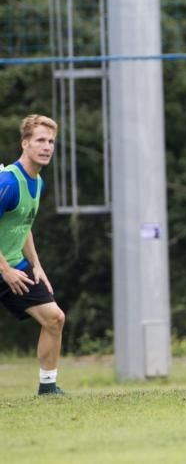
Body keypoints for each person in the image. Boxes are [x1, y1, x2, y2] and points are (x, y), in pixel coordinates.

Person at [0, 114, 67, 395]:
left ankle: (48, 388)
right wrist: (5, 271)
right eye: (40, 140)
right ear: (25, 143)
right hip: (5, 269)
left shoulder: (37, 183)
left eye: (50, 141)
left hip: (14, 266)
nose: (47, 146)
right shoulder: (9, 182)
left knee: (55, 318)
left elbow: (23, 224)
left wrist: (36, 265)